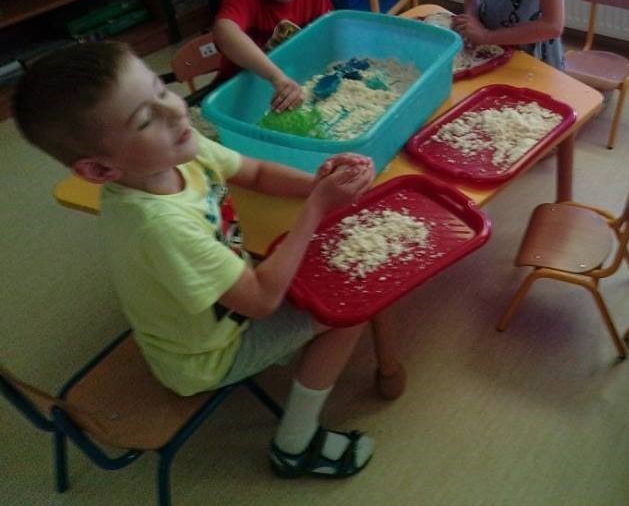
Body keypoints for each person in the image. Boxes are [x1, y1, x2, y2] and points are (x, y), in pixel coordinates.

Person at [13, 41, 376, 478]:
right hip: (208, 355)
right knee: (350, 308)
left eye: (160, 89)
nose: (175, 110)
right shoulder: (158, 227)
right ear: (100, 171)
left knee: (319, 265)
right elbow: (261, 300)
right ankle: (295, 444)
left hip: (227, 297)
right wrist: (317, 208)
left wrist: (318, 185)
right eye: (145, 119)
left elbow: (255, 172)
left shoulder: (177, 150)